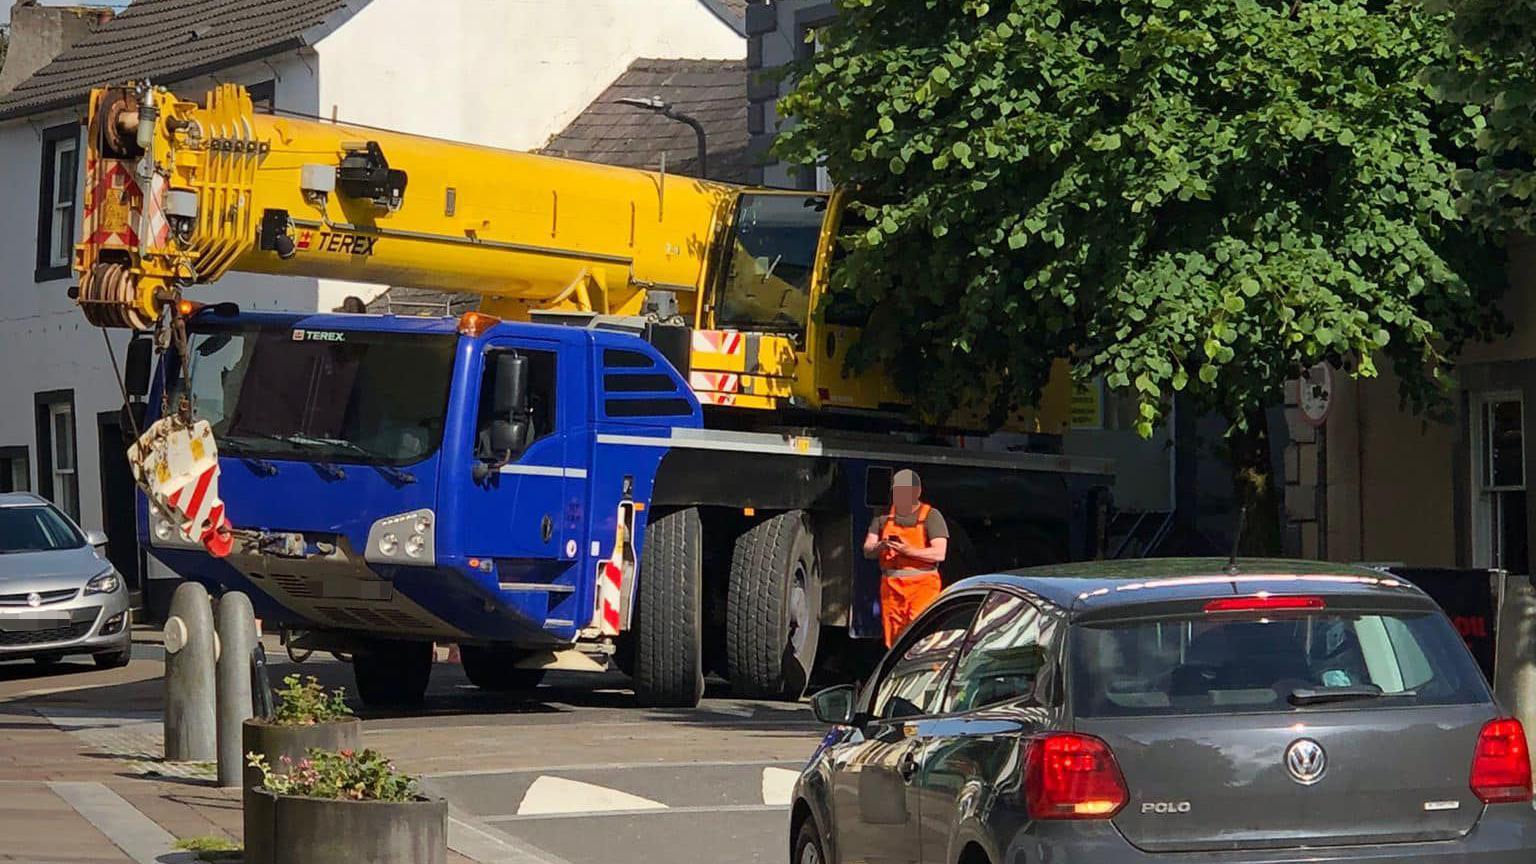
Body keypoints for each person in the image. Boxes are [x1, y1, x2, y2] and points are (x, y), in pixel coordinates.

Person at [863, 468, 949, 647]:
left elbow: (939, 553)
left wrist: (907, 550)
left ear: (916, 492)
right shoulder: (883, 517)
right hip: (891, 589)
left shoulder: (931, 516)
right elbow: (867, 550)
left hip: (922, 586)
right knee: (894, 644)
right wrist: (882, 546)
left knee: (922, 639)